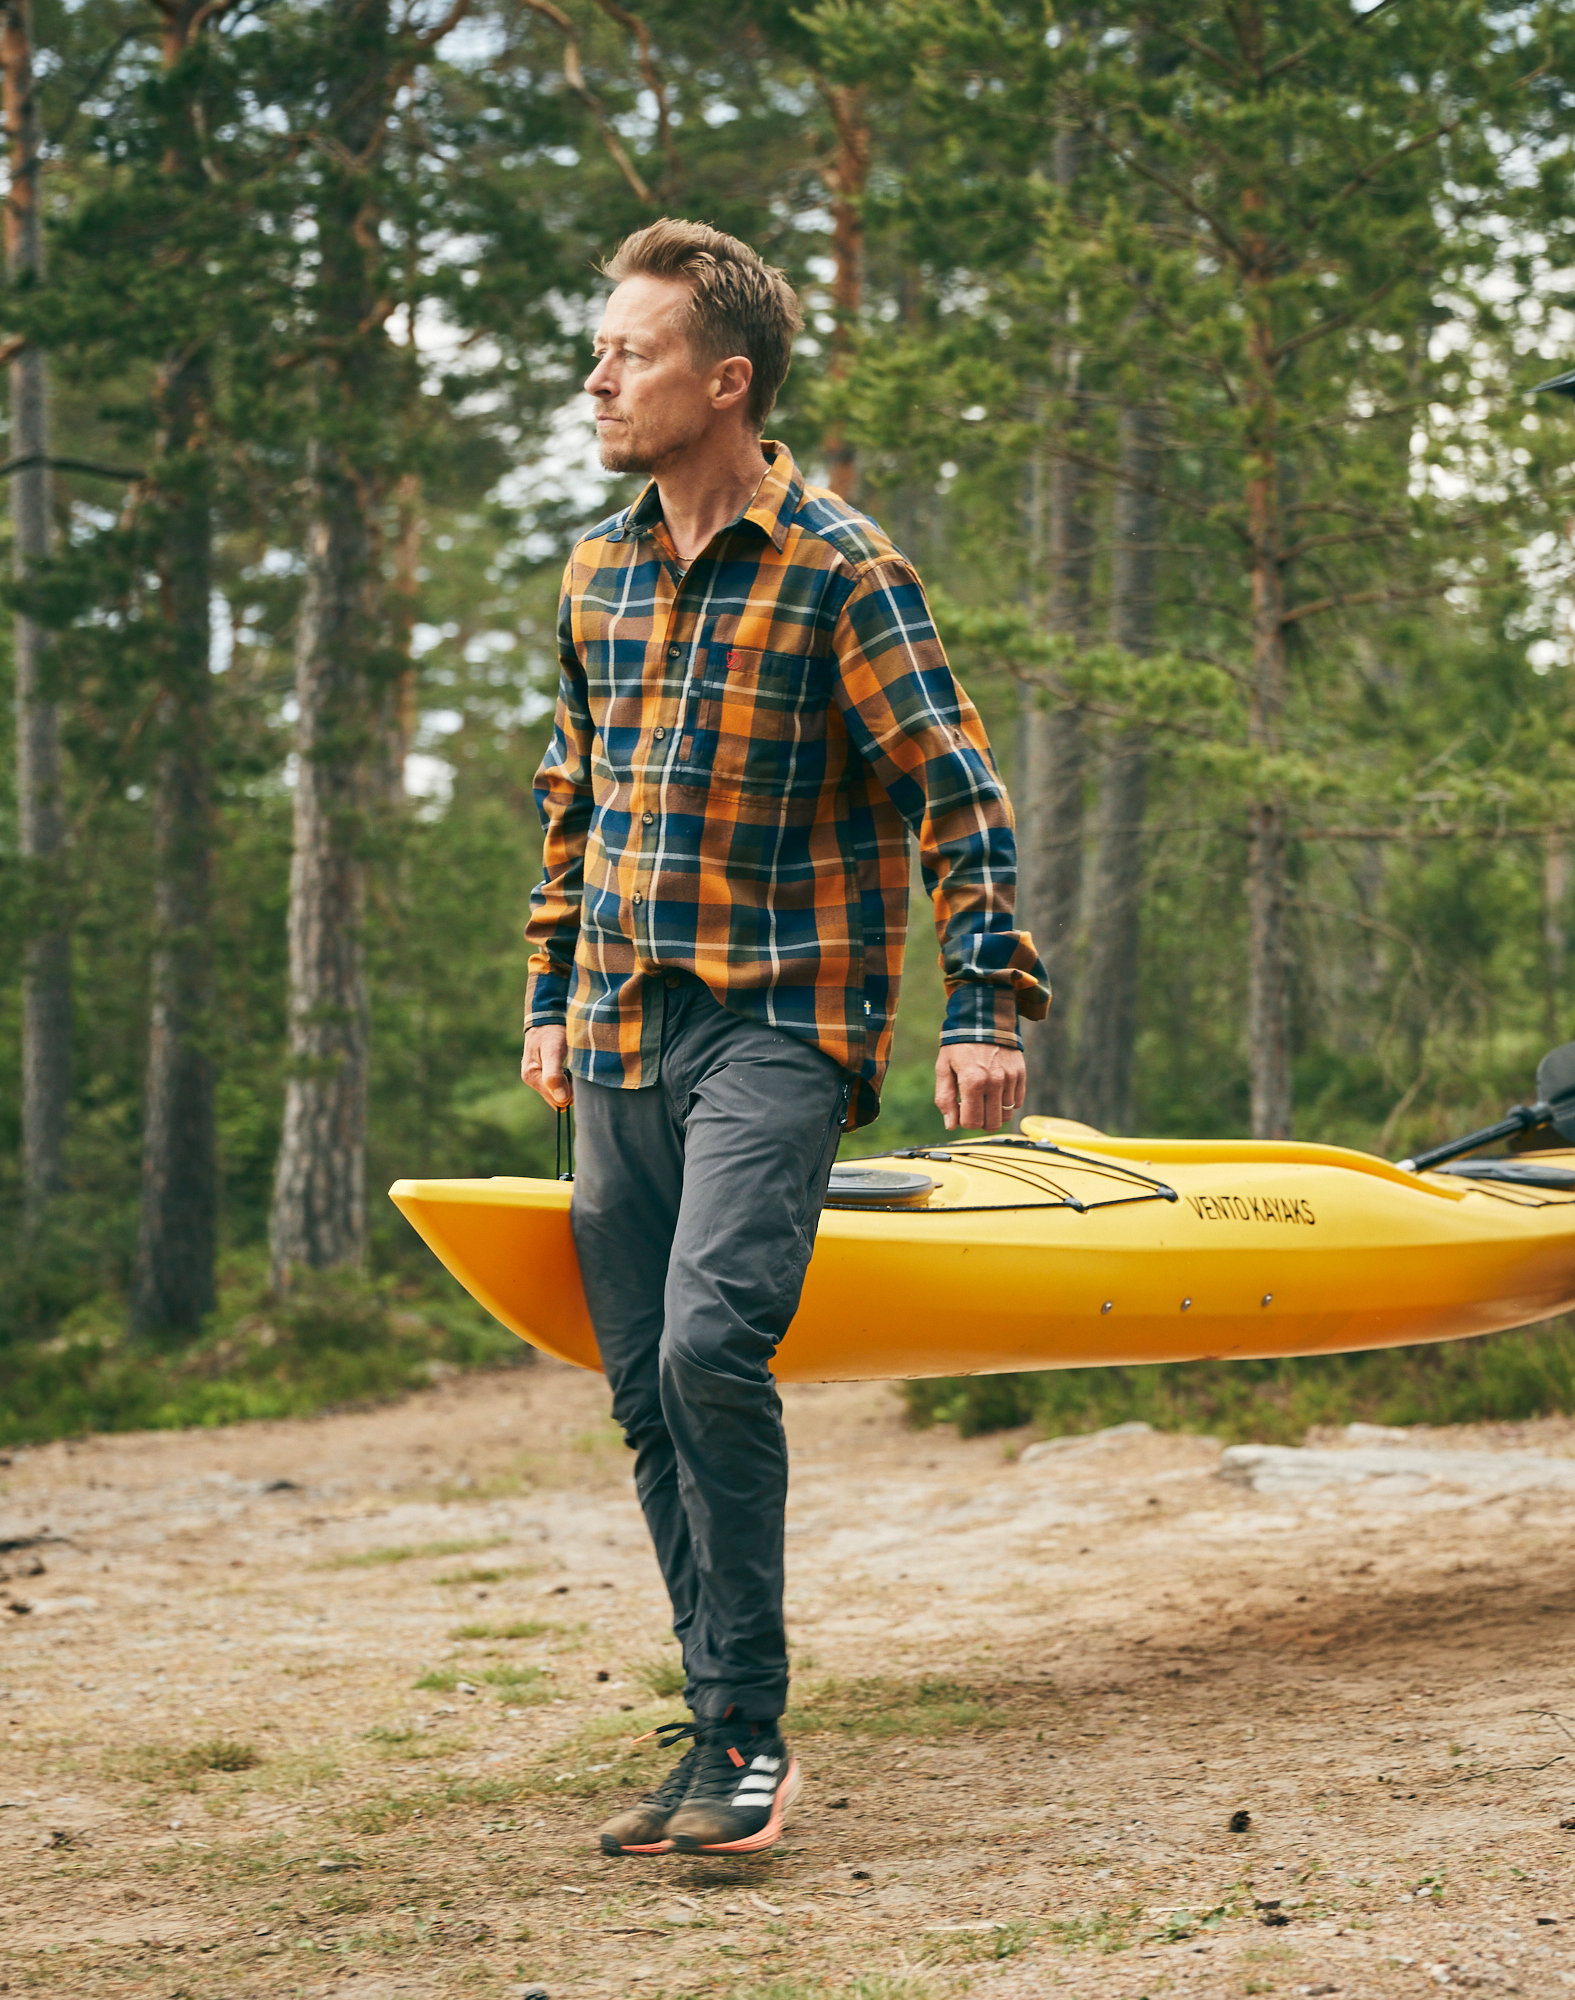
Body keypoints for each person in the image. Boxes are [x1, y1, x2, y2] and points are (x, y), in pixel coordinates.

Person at [519, 220, 1045, 1857]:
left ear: (726, 381)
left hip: (780, 1029)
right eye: (601, 349)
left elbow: (960, 801)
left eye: (634, 352)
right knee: (641, 1397)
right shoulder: (598, 568)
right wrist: (548, 992)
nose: (598, 378)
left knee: (705, 1351)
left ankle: (747, 1736)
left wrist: (979, 1008)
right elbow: (572, 798)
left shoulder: (841, 568)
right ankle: (709, 1733)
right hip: (619, 1029)